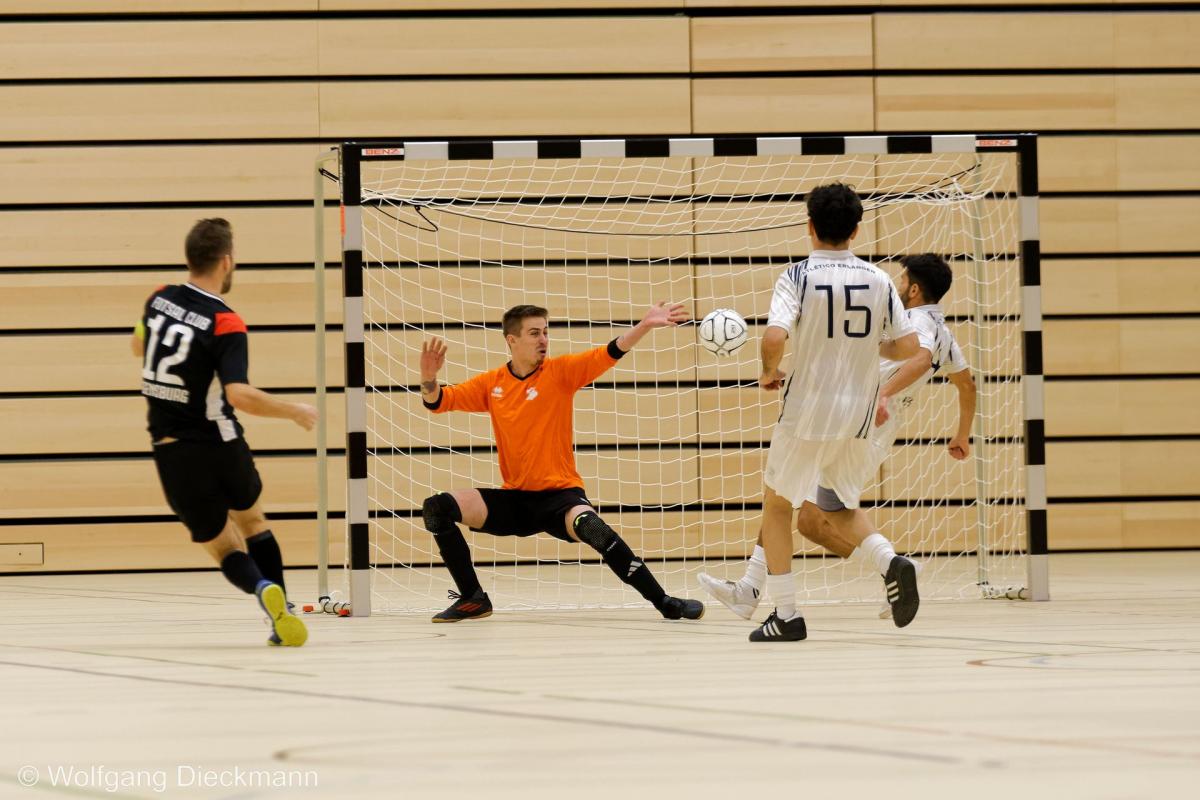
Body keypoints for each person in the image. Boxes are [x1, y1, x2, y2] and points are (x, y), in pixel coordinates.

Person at [701, 253, 976, 621]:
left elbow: (921, 358)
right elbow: (967, 385)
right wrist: (962, 435)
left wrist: (883, 394)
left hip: (859, 422)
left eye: (902, 279)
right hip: (866, 426)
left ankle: (887, 567)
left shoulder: (916, 321)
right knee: (803, 515)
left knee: (788, 502)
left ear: (913, 289)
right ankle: (755, 589)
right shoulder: (945, 332)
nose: (897, 283)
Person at [709, 183, 919, 642]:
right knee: (837, 505)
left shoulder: (798, 276)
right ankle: (890, 561)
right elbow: (909, 346)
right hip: (859, 413)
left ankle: (786, 615)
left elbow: (774, 336)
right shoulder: (879, 279)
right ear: (856, 229)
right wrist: (870, 345)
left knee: (777, 506)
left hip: (807, 410)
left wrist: (769, 372)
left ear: (809, 226)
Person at [418, 302, 705, 623]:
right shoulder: (492, 384)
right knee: (437, 507)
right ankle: (473, 598)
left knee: (594, 529)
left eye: (545, 332)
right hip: (517, 499)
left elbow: (610, 351)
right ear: (512, 340)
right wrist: (428, 378)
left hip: (560, 498)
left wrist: (645, 325)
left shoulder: (560, 373)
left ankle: (664, 602)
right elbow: (438, 401)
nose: (543, 339)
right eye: (534, 333)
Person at [132, 218, 316, 646]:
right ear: (227, 262)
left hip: (175, 451)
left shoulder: (159, 299)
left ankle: (261, 588)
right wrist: (293, 410)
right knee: (253, 521)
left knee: (224, 548)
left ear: (190, 257)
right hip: (223, 442)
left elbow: (138, 346)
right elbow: (238, 395)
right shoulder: (225, 321)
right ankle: (282, 612)